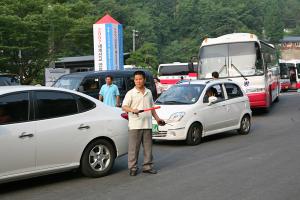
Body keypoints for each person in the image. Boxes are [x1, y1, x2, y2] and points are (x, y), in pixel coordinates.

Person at [122, 71, 165, 176]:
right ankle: (133, 168)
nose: (138, 81)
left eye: (140, 79)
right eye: (136, 79)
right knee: (134, 149)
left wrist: (158, 119)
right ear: (134, 80)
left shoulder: (149, 92)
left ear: (144, 80)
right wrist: (132, 110)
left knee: (148, 148)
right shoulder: (130, 93)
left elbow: (152, 109)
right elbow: (124, 106)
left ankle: (147, 166)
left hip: (147, 124)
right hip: (135, 125)